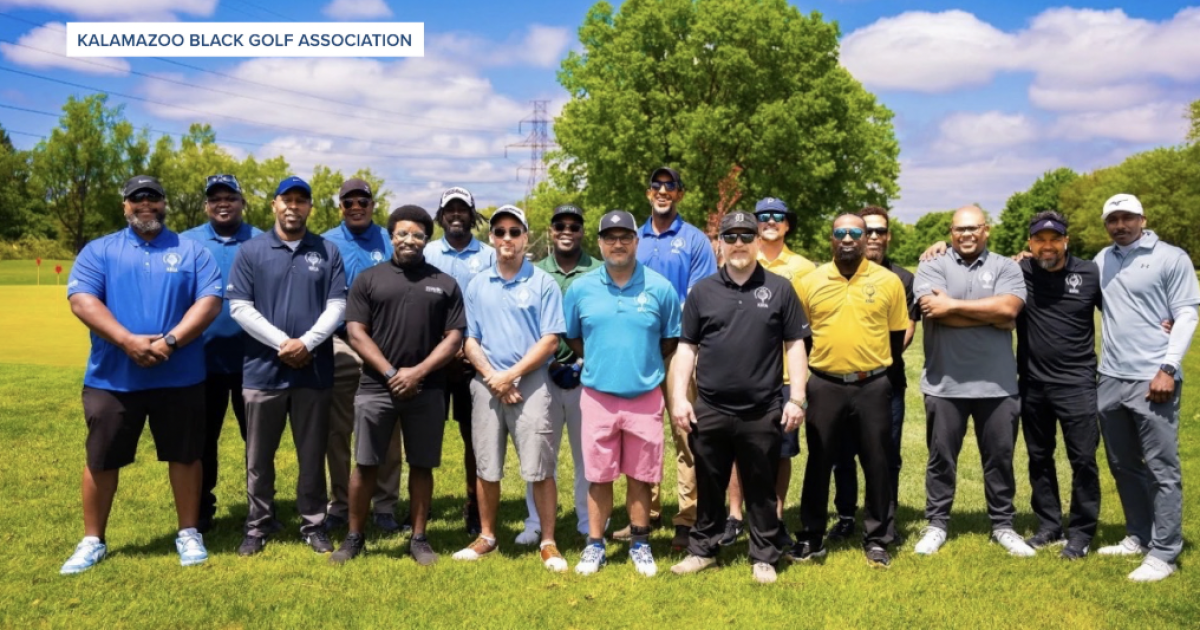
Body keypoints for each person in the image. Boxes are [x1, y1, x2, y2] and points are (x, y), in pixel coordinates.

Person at [61, 175, 223, 574]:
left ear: (164, 203)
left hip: (180, 376)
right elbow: (82, 300)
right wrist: (127, 340)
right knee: (102, 459)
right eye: (137, 198)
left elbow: (209, 302)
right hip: (112, 379)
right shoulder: (99, 250)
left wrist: (170, 342)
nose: (145, 204)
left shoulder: (192, 251)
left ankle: (188, 532)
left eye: (153, 197)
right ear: (125, 206)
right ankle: (93, 540)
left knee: (186, 456)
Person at [669, 211, 809, 585]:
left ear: (758, 242)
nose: (739, 243)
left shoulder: (780, 289)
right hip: (711, 407)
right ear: (721, 243)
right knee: (709, 483)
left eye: (747, 236)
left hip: (762, 409)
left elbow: (795, 345)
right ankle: (703, 551)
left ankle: (763, 556)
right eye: (730, 236)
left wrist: (797, 397)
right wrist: (680, 398)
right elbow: (687, 348)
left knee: (761, 488)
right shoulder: (702, 291)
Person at [329, 205, 466, 566]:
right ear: (391, 237)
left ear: (426, 240)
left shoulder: (444, 284)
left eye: (417, 234)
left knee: (422, 465)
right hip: (376, 387)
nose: (409, 240)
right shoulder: (369, 279)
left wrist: (417, 373)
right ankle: (354, 537)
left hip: (428, 389)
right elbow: (356, 332)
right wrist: (391, 373)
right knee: (366, 463)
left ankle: (419, 538)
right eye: (402, 233)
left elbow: (454, 338)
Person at [228, 176, 347, 556]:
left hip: (313, 370)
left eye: (301, 200)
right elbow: (239, 307)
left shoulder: (327, 251)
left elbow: (337, 306)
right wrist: (284, 342)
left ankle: (313, 523)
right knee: (258, 457)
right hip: (262, 370)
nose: (293, 206)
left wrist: (307, 343)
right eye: (287, 200)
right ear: (274, 205)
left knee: (312, 454)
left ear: (310, 206)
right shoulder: (251, 250)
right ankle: (258, 525)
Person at [911, 206, 1034, 557]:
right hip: (944, 383)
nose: (967, 234)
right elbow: (932, 310)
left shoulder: (1006, 267)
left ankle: (1003, 525)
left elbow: (1009, 310)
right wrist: (990, 315)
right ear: (951, 232)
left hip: (998, 385)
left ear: (986, 230)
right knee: (941, 459)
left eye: (973, 228)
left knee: (1000, 459)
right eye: (960, 229)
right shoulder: (932, 264)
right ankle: (936, 524)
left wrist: (952, 306)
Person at [564, 210, 682, 577]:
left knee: (641, 475)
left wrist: (641, 363)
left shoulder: (660, 287)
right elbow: (573, 337)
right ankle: (595, 545)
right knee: (599, 475)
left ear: (636, 241)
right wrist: (602, 361)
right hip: (597, 396)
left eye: (625, 236)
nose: (618, 243)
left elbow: (670, 339)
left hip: (645, 396)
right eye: (610, 237)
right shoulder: (580, 288)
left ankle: (640, 543)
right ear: (599, 243)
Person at [452, 205, 568, 571]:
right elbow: (470, 340)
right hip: (487, 384)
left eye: (514, 232)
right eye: (500, 232)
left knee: (540, 466)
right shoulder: (477, 284)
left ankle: (548, 541)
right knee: (486, 464)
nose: (507, 238)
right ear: (491, 238)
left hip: (531, 383)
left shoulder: (543, 283)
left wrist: (511, 375)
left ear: (526, 237)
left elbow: (550, 340)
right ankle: (487, 536)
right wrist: (494, 378)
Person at [791, 214, 909, 568]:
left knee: (877, 462)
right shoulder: (809, 282)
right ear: (831, 238)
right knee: (819, 461)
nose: (847, 238)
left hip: (872, 384)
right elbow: (802, 338)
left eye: (855, 232)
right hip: (824, 383)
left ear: (864, 237)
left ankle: (877, 538)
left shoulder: (888, 281)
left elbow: (895, 338)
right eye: (840, 232)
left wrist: (879, 374)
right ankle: (811, 535)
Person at [1092, 193, 1199, 582]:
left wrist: (1168, 368)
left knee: (1161, 467)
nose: (1120, 225)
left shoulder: (1171, 257)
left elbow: (1186, 313)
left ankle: (1165, 552)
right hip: (1110, 377)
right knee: (1122, 464)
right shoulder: (1101, 260)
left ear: (1143, 219)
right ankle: (1139, 534)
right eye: (1113, 219)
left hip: (1154, 377)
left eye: (1127, 218)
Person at [625, 166, 717, 550]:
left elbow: (698, 298)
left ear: (679, 193)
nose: (662, 191)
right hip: (640, 348)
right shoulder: (634, 238)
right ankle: (645, 513)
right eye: (656, 186)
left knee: (684, 432)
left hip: (681, 348)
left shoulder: (694, 240)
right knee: (642, 433)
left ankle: (687, 516)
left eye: (670, 186)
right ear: (648, 193)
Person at [721, 197, 815, 546]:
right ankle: (734, 516)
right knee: (736, 450)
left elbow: (806, 326)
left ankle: (774, 518)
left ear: (787, 224)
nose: (770, 220)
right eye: (763, 216)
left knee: (781, 452)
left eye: (778, 216)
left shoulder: (804, 268)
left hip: (784, 378)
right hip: (741, 375)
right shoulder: (739, 255)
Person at [827, 206, 918, 544]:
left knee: (886, 455)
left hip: (886, 381)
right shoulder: (838, 272)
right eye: (870, 230)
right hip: (840, 382)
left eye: (881, 231)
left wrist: (874, 360)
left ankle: (885, 520)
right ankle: (845, 516)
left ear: (887, 236)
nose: (875, 236)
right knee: (842, 455)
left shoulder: (902, 279)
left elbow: (906, 330)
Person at [515, 204, 603, 544]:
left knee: (587, 455)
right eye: (560, 225)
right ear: (551, 231)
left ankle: (587, 520)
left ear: (582, 231)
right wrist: (547, 362)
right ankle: (534, 522)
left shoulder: (598, 270)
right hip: (542, 374)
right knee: (539, 452)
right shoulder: (534, 272)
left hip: (588, 373)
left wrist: (582, 361)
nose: (567, 231)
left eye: (574, 226)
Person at [180, 174, 263, 534]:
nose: (223, 203)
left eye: (230, 197)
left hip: (254, 361)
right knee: (202, 441)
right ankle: (201, 510)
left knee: (257, 443)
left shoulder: (262, 240)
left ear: (243, 202)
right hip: (201, 361)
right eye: (215, 199)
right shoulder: (186, 242)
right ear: (206, 205)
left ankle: (261, 509)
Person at [321, 178, 404, 534]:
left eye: (363, 202)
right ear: (340, 206)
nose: (356, 207)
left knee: (387, 427)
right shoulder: (325, 243)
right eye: (348, 202)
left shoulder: (389, 239)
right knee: (338, 429)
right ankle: (341, 504)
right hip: (340, 342)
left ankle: (385, 505)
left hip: (384, 345)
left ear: (373, 205)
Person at [424, 187, 495, 537]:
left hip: (473, 360)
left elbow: (494, 305)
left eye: (462, 209)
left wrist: (469, 348)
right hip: (433, 358)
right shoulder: (427, 252)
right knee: (425, 435)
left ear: (472, 214)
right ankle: (421, 504)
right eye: (449, 209)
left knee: (475, 438)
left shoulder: (489, 255)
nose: (456, 215)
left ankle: (473, 504)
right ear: (440, 216)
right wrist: (442, 347)